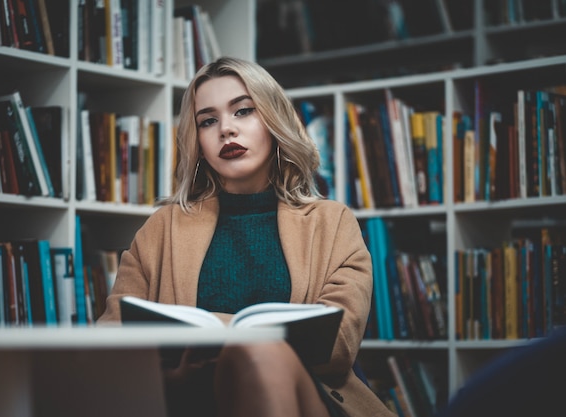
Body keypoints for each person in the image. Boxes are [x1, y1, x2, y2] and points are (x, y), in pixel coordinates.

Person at [97, 57, 394, 417]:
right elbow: (112, 343)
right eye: (208, 120)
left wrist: (227, 335)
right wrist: (169, 378)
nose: (226, 129)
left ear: (273, 121)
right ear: (199, 142)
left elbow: (337, 346)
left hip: (305, 399)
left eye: (243, 112)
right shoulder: (161, 229)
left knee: (263, 353)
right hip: (187, 402)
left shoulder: (331, 223)